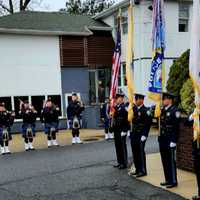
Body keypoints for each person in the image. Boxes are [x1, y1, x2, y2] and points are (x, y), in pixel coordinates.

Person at [159, 92, 180, 188]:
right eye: (163, 99)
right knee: (164, 160)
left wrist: (174, 140)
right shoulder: (163, 110)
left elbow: (176, 128)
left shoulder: (175, 110)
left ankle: (173, 181)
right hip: (163, 139)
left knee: (171, 161)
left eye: (165, 99)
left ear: (170, 100)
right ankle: (167, 179)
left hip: (170, 140)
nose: (163, 101)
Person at [130, 94, 152, 177]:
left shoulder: (146, 110)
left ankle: (143, 170)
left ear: (142, 100)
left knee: (140, 152)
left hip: (141, 134)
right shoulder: (133, 109)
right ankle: (137, 169)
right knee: (135, 151)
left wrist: (145, 135)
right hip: (134, 133)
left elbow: (148, 124)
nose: (137, 101)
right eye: (137, 99)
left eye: (139, 99)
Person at [112, 93, 129, 170]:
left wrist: (125, 130)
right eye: (117, 98)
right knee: (117, 146)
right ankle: (119, 162)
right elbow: (114, 118)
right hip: (116, 129)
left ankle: (124, 163)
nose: (117, 99)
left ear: (121, 99)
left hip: (122, 130)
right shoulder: (116, 107)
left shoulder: (125, 107)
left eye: (119, 98)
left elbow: (127, 120)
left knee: (122, 147)